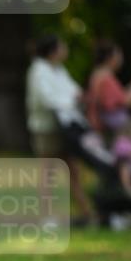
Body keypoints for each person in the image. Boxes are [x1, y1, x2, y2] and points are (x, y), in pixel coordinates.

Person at [25, 34, 94, 224]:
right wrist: (73, 100)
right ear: (53, 51)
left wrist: (80, 96)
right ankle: (47, 216)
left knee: (73, 170)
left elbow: (71, 89)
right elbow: (47, 99)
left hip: (64, 127)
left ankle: (87, 213)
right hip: (45, 129)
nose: (65, 50)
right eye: (62, 46)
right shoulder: (39, 71)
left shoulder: (58, 69)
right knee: (48, 173)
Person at [86, 39, 131, 133]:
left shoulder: (99, 73)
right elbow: (126, 101)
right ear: (110, 57)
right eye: (118, 55)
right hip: (110, 123)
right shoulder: (105, 76)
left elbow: (119, 96)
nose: (121, 58)